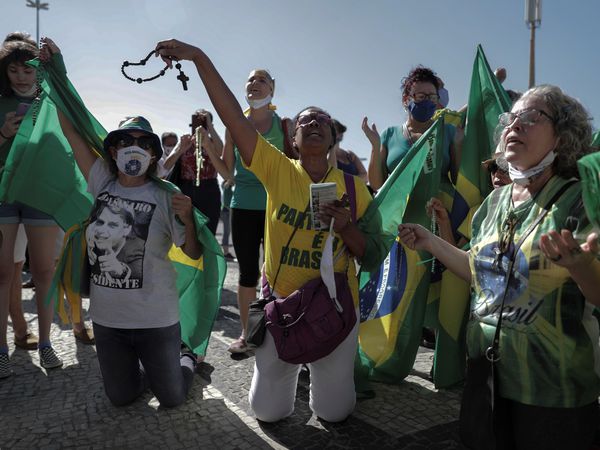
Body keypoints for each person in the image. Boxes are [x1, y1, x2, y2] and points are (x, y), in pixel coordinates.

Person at [155, 39, 385, 422]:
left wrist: (346, 229)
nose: (312, 124)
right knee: (266, 413)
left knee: (335, 413)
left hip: (334, 311)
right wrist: (198, 57)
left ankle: (325, 378)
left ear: (332, 139)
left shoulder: (355, 188)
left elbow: (374, 254)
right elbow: (231, 114)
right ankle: (288, 371)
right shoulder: (276, 169)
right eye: (305, 122)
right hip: (283, 312)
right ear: (292, 142)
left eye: (321, 122)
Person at [399, 85, 600, 449]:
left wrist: (581, 264)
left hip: (553, 390)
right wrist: (431, 242)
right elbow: (481, 274)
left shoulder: (580, 200)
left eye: (531, 117)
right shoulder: (493, 204)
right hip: (485, 377)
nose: (514, 126)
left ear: (564, 135)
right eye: (510, 119)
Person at [58, 110, 201, 407]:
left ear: (153, 156)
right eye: (125, 141)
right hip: (108, 322)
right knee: (121, 398)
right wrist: (53, 69)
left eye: (144, 143)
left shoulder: (166, 194)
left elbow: (192, 252)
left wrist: (188, 218)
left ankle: (185, 356)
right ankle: (149, 369)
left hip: (156, 320)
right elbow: (72, 133)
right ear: (113, 150)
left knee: (172, 398)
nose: (134, 148)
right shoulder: (101, 180)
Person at [0, 33, 63, 377]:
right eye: (14, 70)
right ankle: (1, 350)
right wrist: (3, 135)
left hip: (40, 195)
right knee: (3, 273)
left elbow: (66, 143)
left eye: (29, 69)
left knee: (43, 272)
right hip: (4, 195)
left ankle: (46, 344)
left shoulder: (51, 102)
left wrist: (56, 58)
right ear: (5, 71)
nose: (22, 76)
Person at [221, 68, 296, 354]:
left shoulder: (285, 126)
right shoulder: (234, 125)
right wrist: (208, 144)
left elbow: (295, 166)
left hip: (277, 206)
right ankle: (247, 333)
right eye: (251, 79)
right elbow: (227, 171)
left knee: (280, 271)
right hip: (242, 207)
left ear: (272, 90)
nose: (255, 83)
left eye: (262, 79)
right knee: (247, 273)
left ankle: (285, 327)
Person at [363, 66, 459, 192]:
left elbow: (460, 181)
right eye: (421, 96)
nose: (428, 101)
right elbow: (377, 185)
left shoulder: (449, 132)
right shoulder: (389, 135)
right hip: (400, 209)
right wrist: (375, 147)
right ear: (406, 100)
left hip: (440, 208)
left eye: (432, 97)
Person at [163, 109, 224, 235]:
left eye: (203, 122)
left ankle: (207, 254)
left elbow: (220, 151)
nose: (199, 125)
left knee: (208, 232)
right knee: (185, 231)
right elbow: (166, 165)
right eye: (196, 121)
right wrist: (180, 149)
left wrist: (210, 127)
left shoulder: (212, 142)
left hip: (209, 189)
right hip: (186, 189)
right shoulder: (185, 141)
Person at [220, 179, 234, 260]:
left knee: (227, 232)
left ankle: (226, 252)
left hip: (227, 211)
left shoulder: (229, 188)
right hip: (226, 211)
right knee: (226, 232)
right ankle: (225, 252)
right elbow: (226, 202)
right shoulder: (227, 187)